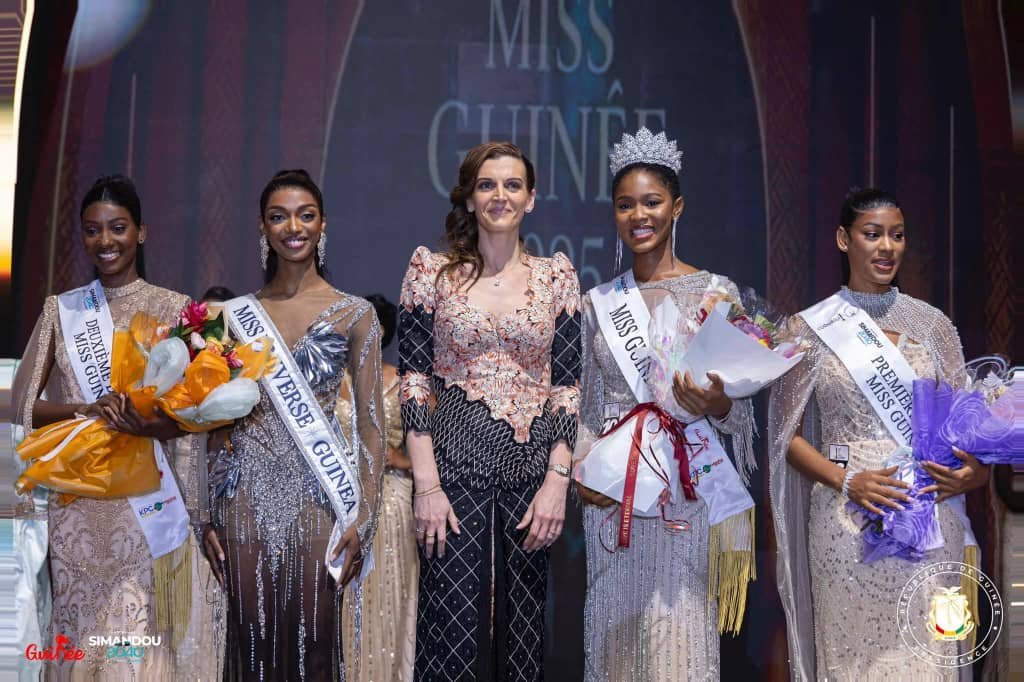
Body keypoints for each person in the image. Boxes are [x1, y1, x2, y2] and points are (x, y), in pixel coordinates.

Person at [769, 188, 989, 680]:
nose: (887, 246)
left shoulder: (932, 326)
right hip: (844, 521)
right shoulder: (810, 328)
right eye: (873, 234)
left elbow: (965, 424)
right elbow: (787, 436)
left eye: (897, 235)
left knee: (927, 659)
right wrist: (847, 480)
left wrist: (975, 470)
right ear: (843, 240)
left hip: (928, 520)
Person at [12, 174, 223, 679]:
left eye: (118, 227)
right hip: (77, 510)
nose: (105, 240)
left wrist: (147, 424)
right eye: (92, 230)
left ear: (141, 232)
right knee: (81, 644)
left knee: (132, 649)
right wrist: (87, 410)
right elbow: (20, 407)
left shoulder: (176, 310)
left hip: (147, 510)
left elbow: (196, 419)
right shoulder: (61, 310)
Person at [573, 128, 757, 681]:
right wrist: (584, 471)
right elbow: (585, 406)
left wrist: (717, 404)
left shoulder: (717, 293)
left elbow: (741, 419)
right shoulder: (597, 304)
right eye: (625, 205)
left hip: (687, 495)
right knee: (616, 651)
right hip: (615, 498)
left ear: (676, 207)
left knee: (680, 649)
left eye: (651, 202)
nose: (639, 216)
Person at [398, 141, 582, 680]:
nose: (500, 195)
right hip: (452, 475)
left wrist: (557, 484)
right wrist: (426, 487)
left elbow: (566, 387)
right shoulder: (432, 272)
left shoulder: (557, 277)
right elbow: (414, 380)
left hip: (531, 478)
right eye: (487, 185)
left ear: (531, 199)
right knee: (452, 635)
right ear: (469, 198)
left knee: (522, 638)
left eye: (512, 185)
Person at [206, 169, 385, 680]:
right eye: (278, 217)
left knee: (315, 640)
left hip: (319, 494)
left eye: (305, 216)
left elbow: (371, 426)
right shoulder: (230, 317)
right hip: (244, 495)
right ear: (262, 227)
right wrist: (204, 515)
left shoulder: (355, 314)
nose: (293, 227)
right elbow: (210, 424)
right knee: (251, 640)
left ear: (323, 224)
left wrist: (364, 518)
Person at [340, 293, 418, 681]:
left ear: (380, 330)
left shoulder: (404, 384)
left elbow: (437, 451)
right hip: (342, 500)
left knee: (389, 592)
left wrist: (400, 459)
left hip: (390, 500)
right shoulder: (332, 382)